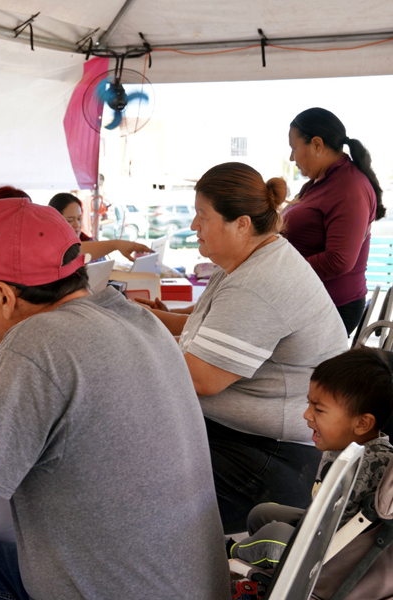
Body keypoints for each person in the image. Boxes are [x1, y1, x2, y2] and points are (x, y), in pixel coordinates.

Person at [0, 198, 228, 599]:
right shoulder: (137, 319)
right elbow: (76, 430)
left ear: (4, 296)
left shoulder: (36, 344)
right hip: (185, 585)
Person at [137, 162, 349, 533]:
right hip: (248, 439)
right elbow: (202, 334)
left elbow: (201, 377)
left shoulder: (258, 283)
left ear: (241, 224)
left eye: (202, 216)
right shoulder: (253, 260)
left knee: (131, 479)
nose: (193, 227)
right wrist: (138, 320)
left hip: (269, 459)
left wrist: (120, 345)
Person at [229, 347, 393, 571]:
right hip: (319, 526)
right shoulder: (342, 443)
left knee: (274, 536)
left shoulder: (377, 464)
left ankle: (229, 553)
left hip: (334, 556)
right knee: (263, 513)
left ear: (362, 423)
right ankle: (264, 568)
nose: (307, 414)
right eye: (309, 403)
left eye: (319, 409)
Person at [283, 107, 386, 334]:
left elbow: (338, 260)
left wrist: (279, 272)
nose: (291, 158)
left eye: (294, 148)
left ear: (317, 145)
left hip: (331, 308)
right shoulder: (321, 181)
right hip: (307, 300)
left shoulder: (349, 188)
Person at [48, 192, 151, 260]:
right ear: (54, 222)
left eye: (79, 219)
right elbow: (73, 251)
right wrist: (116, 244)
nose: (77, 225)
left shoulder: (89, 241)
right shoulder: (50, 249)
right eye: (70, 220)